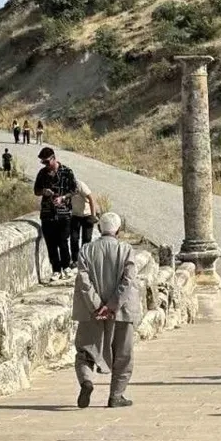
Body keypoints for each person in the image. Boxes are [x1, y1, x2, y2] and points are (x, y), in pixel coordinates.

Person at [72, 212, 140, 409]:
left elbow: (83, 280)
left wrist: (97, 305)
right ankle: (116, 395)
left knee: (85, 351)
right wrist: (111, 306)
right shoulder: (126, 250)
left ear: (99, 229)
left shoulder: (86, 250)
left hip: (90, 313)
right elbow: (128, 280)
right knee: (123, 355)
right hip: (121, 312)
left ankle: (86, 381)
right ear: (118, 230)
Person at [34, 147, 78, 282]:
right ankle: (56, 269)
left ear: (54, 158)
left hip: (64, 213)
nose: (45, 165)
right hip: (47, 213)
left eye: (47, 162)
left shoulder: (67, 171)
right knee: (50, 243)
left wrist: (63, 198)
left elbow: (74, 190)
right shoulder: (42, 173)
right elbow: (36, 190)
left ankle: (66, 267)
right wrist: (44, 192)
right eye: (43, 162)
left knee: (63, 241)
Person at [69, 179, 99, 267]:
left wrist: (93, 215)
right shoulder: (65, 185)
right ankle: (75, 260)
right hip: (75, 215)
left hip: (87, 215)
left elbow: (91, 199)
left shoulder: (80, 185)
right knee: (74, 238)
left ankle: (85, 261)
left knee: (86, 239)